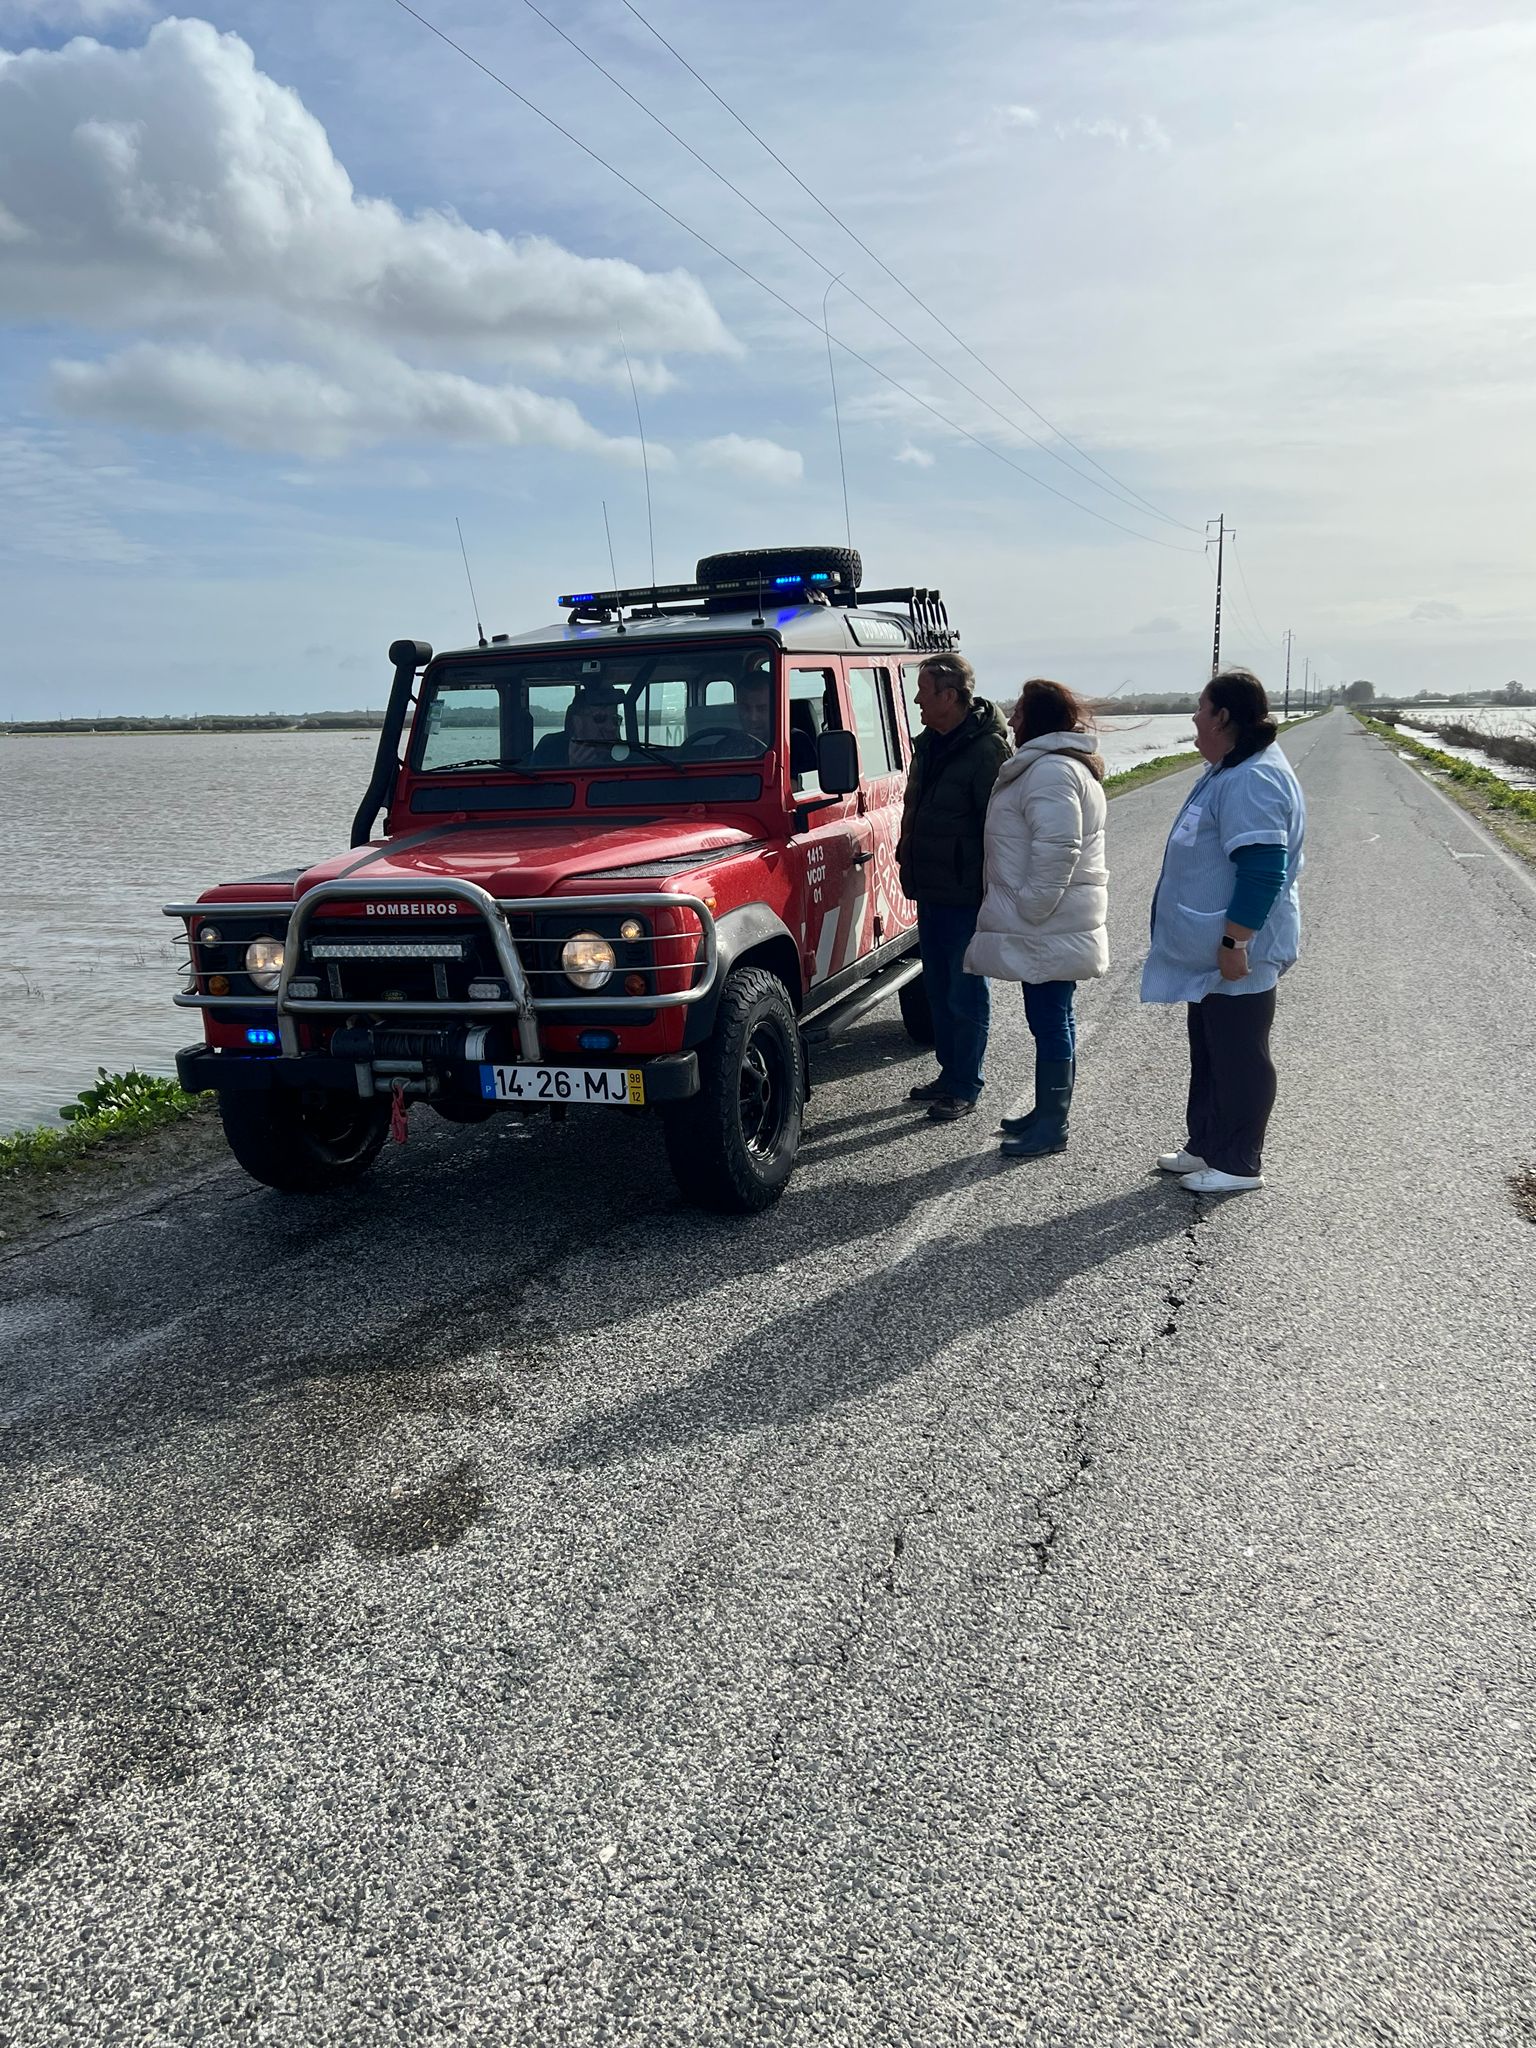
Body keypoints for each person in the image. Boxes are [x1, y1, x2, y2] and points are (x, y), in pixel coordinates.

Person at [1142, 667, 1306, 1193]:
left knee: (1240, 1055)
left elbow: (1263, 868)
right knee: (1212, 1050)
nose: (1193, 717)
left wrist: (1236, 941)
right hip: (1213, 949)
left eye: (1201, 707)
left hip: (1239, 948)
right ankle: (1207, 1145)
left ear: (1223, 717)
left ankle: (1238, 1162)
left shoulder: (1253, 779)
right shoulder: (1229, 769)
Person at [964, 679, 1108, 1159]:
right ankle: (1048, 1112)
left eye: (1020, 710)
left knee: (1049, 1020)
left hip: (1048, 921)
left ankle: (1052, 1124)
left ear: (1037, 719)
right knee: (1053, 1016)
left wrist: (1031, 907)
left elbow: (1059, 847)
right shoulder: (1054, 766)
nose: (1012, 718)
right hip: (1053, 921)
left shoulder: (1050, 771)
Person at [896, 652, 1011, 1121]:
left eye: (923, 692)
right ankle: (950, 1073)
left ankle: (965, 1084)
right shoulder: (930, 744)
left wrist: (990, 890)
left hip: (965, 895)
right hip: (931, 889)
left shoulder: (988, 751)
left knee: (964, 992)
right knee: (938, 989)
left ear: (949, 696)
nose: (917, 701)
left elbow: (999, 828)